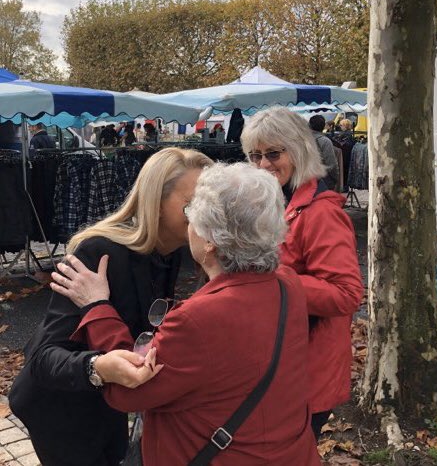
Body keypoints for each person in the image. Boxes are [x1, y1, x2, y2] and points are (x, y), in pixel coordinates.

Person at [50, 163, 321, 466]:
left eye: (192, 216)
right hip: (288, 451)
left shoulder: (198, 320)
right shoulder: (287, 283)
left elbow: (129, 388)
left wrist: (97, 305)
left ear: (209, 241)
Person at [8, 148, 213, 466]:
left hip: (110, 398)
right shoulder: (100, 252)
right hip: (59, 407)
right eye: (194, 205)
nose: (207, 215)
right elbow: (42, 360)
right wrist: (98, 367)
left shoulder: (172, 250)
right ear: (155, 204)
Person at [241, 107, 363, 439]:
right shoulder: (273, 201)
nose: (263, 164)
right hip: (278, 365)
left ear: (297, 151)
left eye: (273, 153)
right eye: (254, 156)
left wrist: (268, 276)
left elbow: (346, 294)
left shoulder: (321, 212)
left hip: (307, 371)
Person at [308, 114, 339, 190]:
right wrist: (335, 178)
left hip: (305, 181)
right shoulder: (325, 141)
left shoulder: (303, 140)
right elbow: (331, 164)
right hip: (322, 182)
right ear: (323, 126)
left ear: (309, 126)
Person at [332, 119, 356, 189]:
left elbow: (342, 143)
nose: (340, 127)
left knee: (344, 170)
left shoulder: (346, 134)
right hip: (347, 153)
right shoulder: (349, 133)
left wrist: (334, 139)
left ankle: (345, 186)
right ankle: (345, 186)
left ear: (345, 126)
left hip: (345, 153)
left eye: (341, 125)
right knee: (346, 170)